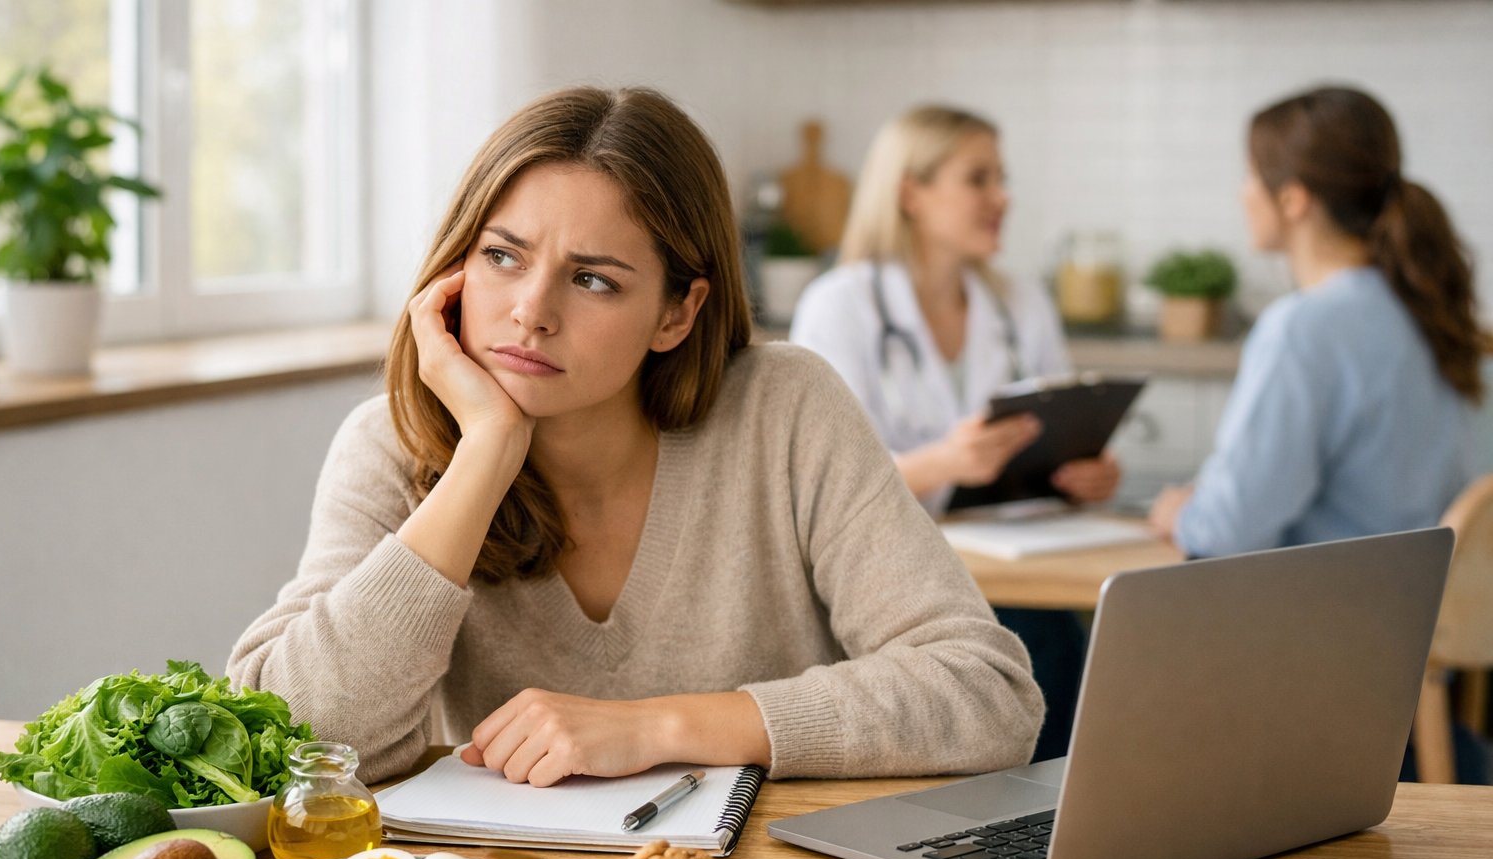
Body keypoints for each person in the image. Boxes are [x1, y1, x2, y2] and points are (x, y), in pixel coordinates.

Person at [227, 86, 1042, 788]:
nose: (531, 312)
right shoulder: (389, 445)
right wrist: (482, 460)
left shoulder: (786, 409)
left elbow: (988, 696)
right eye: (503, 257)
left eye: (591, 280)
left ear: (676, 313)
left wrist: (661, 729)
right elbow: (297, 739)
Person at [790, 105, 1120, 762]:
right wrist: (944, 463)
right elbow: (809, 490)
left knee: (1066, 688)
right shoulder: (841, 305)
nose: (1003, 197)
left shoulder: (1020, 303)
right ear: (911, 192)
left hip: (1022, 570)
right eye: (979, 179)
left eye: (1001, 178)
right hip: (896, 588)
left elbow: (1065, 433)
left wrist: (1090, 476)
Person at [1149, 85, 1485, 557]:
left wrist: (1183, 513)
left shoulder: (1302, 330)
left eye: (1251, 176)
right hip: (1430, 620)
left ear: (1293, 200)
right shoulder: (1430, 311)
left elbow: (1227, 531)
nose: (1243, 193)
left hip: (1333, 622)